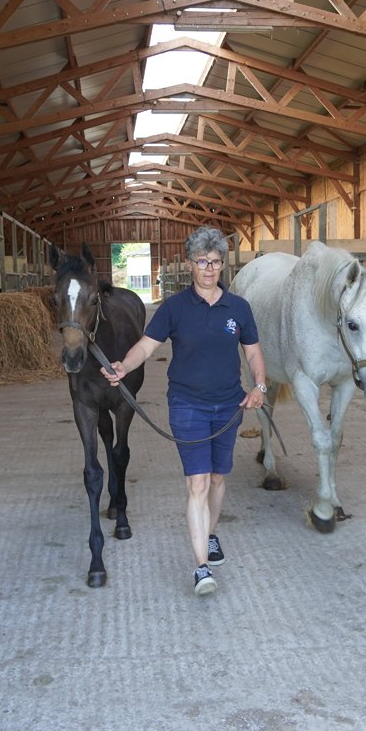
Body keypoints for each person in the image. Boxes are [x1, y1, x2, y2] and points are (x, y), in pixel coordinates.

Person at [102, 227, 266, 596]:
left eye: (215, 262)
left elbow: (253, 352)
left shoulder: (239, 308)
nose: (209, 269)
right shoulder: (174, 308)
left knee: (219, 478)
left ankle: (211, 533)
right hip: (187, 406)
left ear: (223, 264)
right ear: (189, 264)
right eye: (202, 261)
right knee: (198, 482)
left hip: (229, 405)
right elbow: (146, 346)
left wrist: (260, 385)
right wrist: (124, 366)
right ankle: (201, 567)